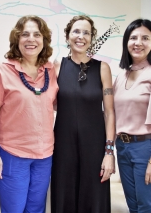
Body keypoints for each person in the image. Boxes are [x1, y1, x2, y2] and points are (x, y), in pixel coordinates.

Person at [0, 15, 59, 213]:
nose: (31, 39)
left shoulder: (51, 71)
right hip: (12, 153)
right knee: (14, 209)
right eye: (25, 34)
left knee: (36, 208)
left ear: (44, 40)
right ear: (17, 39)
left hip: (45, 155)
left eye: (37, 34)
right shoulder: (3, 70)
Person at [51, 15, 115, 213]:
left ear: (92, 37)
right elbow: (50, 104)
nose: (81, 36)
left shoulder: (103, 68)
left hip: (95, 147)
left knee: (94, 201)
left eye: (86, 32)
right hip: (63, 145)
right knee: (64, 199)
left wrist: (109, 152)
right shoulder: (57, 66)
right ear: (68, 36)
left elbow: (110, 113)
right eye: (76, 31)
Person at [114, 18, 151, 213]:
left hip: (146, 147)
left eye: (145, 38)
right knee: (133, 205)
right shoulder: (122, 75)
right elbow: (111, 112)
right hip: (123, 146)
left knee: (146, 205)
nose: (138, 42)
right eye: (133, 37)